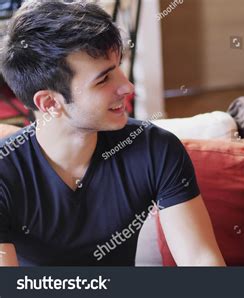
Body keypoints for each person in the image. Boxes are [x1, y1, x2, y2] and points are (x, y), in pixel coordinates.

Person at [0, 0, 225, 266]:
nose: (127, 86)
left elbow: (200, 260)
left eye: (119, 67)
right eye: (104, 79)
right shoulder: (6, 172)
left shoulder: (155, 149)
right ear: (50, 103)